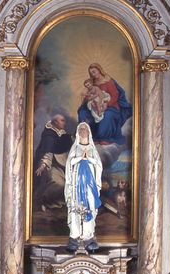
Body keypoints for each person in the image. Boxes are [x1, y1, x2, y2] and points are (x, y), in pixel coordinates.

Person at [64, 122, 102, 253]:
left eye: (85, 129)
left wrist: (89, 159)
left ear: (89, 132)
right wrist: (81, 157)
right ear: (78, 132)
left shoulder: (92, 149)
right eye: (81, 129)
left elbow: (98, 165)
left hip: (89, 185)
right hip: (76, 185)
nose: (83, 131)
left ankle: (88, 237)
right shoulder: (75, 148)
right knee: (75, 209)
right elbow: (69, 163)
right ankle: (74, 237)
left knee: (89, 208)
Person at [77, 63, 132, 147]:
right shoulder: (92, 83)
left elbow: (115, 95)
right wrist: (87, 98)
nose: (93, 74)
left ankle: (104, 138)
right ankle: (87, 136)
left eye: (94, 72)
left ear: (99, 70)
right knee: (82, 112)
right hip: (95, 104)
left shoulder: (108, 81)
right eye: (91, 73)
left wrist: (107, 104)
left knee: (107, 115)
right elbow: (88, 94)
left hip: (111, 105)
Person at [34, 114, 73, 210]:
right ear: (55, 122)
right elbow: (47, 153)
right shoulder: (49, 136)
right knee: (59, 184)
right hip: (51, 166)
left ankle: (60, 203)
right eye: (62, 120)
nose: (64, 123)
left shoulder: (63, 134)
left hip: (62, 165)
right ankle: (46, 202)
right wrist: (43, 165)